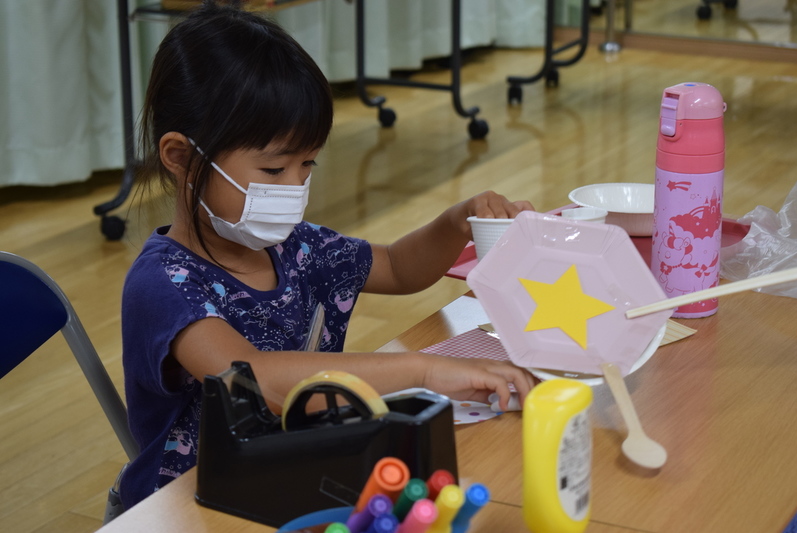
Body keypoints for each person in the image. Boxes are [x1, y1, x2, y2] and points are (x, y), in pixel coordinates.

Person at [119, 1, 536, 511]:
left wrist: (456, 222)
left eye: (308, 164)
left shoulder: (295, 247)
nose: (296, 187)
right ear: (181, 158)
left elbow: (398, 267)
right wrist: (423, 371)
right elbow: (253, 380)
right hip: (191, 506)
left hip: (297, 474)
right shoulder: (164, 284)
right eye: (274, 170)